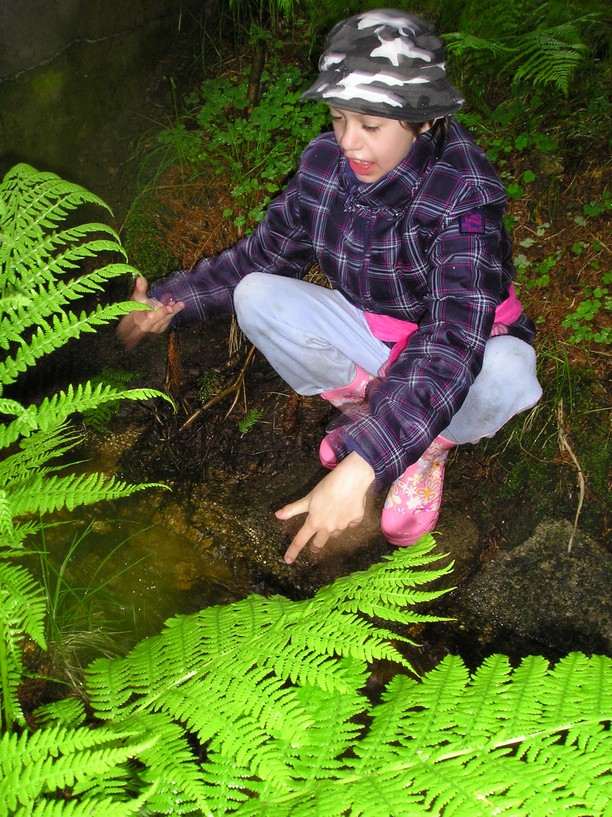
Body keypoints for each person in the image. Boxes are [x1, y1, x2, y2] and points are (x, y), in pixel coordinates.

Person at [118, 8, 542, 565]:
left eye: (370, 126)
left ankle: (426, 448)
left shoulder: (463, 198)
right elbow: (262, 256)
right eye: (339, 118)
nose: (349, 143)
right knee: (256, 294)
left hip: (458, 352)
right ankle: (368, 404)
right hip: (370, 334)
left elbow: (452, 339)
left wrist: (362, 466)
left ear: (423, 121)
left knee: (510, 369)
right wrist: (171, 302)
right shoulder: (325, 168)